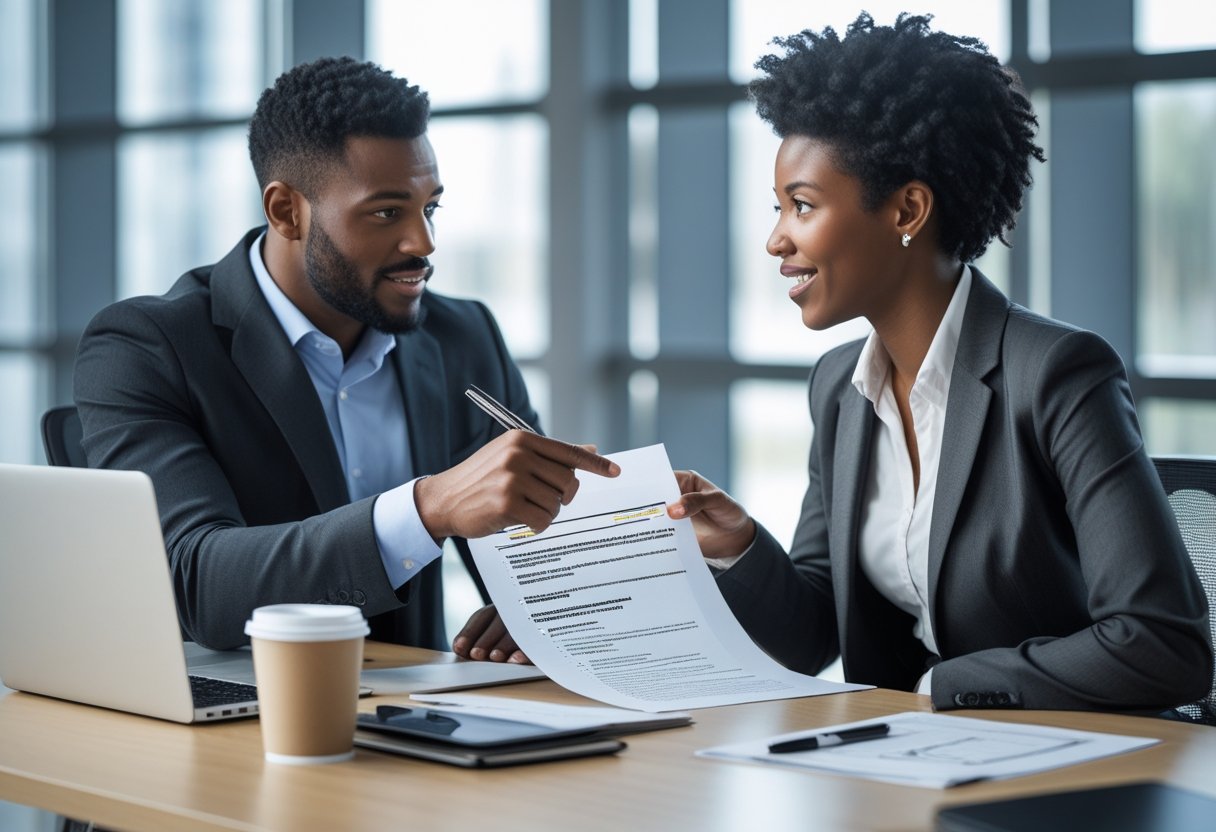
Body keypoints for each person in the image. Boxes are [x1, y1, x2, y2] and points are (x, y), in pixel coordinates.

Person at [667, 13, 1212, 711]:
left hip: (1074, 765)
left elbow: (1163, 646)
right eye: (777, 209)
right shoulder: (839, 387)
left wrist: (938, 687)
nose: (776, 240)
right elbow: (812, 636)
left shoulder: (1058, 374)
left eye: (801, 206)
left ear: (907, 211)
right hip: (905, 772)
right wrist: (741, 545)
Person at [74, 57, 617, 659]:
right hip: (238, 719)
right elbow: (196, 584)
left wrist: (544, 602)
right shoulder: (146, 346)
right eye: (386, 213)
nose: (423, 243)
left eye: (429, 207)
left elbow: (541, 550)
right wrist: (426, 509)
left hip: (428, 713)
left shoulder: (464, 334)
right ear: (286, 211)